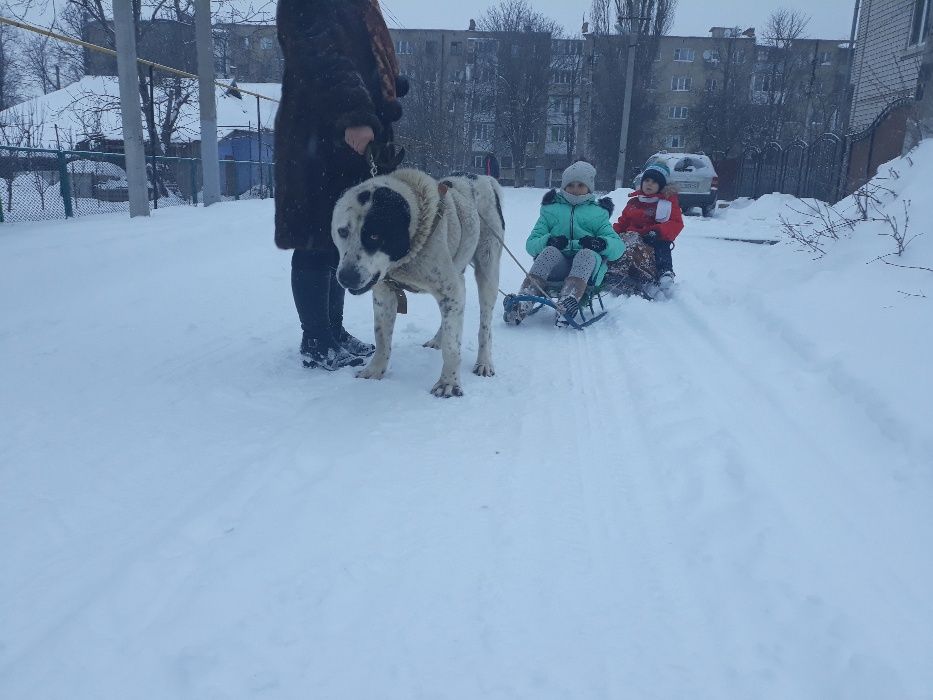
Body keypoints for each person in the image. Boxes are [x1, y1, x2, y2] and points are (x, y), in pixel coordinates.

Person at [274, 0, 408, 370]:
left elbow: (359, 58)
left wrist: (385, 93)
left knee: (339, 238)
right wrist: (355, 112)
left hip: (344, 141)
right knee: (314, 239)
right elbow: (320, 57)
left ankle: (334, 329)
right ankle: (316, 340)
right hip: (315, 136)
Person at [504, 161, 624, 325]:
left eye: (580, 185)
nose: (575, 189)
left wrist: (601, 243)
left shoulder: (598, 213)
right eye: (571, 185)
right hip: (558, 268)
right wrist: (548, 241)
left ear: (589, 188)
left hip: (587, 272)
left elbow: (618, 248)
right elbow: (531, 244)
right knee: (549, 252)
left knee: (586, 254)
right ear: (564, 186)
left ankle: (568, 301)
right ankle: (524, 300)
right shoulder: (550, 210)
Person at [613, 161, 684, 292]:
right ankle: (618, 270)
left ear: (661, 186)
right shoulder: (634, 202)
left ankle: (665, 271)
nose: (649, 184)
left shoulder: (666, 203)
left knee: (663, 245)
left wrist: (658, 231)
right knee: (622, 244)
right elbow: (623, 222)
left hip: (653, 239)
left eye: (654, 182)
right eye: (647, 180)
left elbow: (676, 223)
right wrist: (611, 234)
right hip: (631, 236)